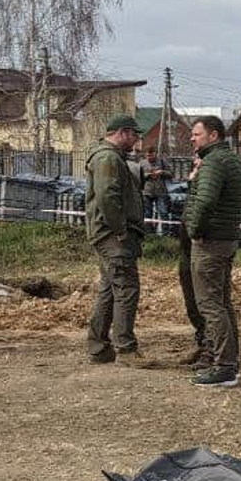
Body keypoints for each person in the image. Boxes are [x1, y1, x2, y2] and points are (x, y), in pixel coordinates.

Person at [183, 116, 241, 388]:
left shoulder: (213, 162)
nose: (192, 138)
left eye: (196, 134)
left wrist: (194, 229)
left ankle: (224, 367)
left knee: (210, 304)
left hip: (210, 241)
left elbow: (206, 200)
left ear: (213, 136)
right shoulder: (232, 160)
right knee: (222, 302)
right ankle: (230, 361)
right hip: (227, 237)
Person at [83, 115, 146, 364]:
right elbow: (107, 196)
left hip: (107, 233)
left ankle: (99, 347)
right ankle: (126, 349)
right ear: (122, 132)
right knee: (127, 289)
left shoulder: (110, 157)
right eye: (134, 135)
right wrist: (120, 229)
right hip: (113, 235)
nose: (136, 140)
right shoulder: (108, 158)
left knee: (110, 290)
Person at [175, 153, 209, 367]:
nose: (195, 162)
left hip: (201, 247)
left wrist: (195, 232)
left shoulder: (210, 183)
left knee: (205, 301)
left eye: (199, 158)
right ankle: (202, 341)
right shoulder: (196, 184)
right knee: (191, 299)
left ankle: (211, 348)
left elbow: (204, 209)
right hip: (187, 249)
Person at [141, 149, 173, 226]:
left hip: (160, 192)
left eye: (151, 155)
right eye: (148, 156)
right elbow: (138, 176)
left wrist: (162, 172)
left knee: (163, 212)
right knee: (147, 214)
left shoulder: (162, 162)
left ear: (155, 154)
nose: (150, 157)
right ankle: (148, 231)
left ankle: (165, 231)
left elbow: (171, 174)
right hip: (147, 192)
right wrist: (148, 174)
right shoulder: (142, 163)